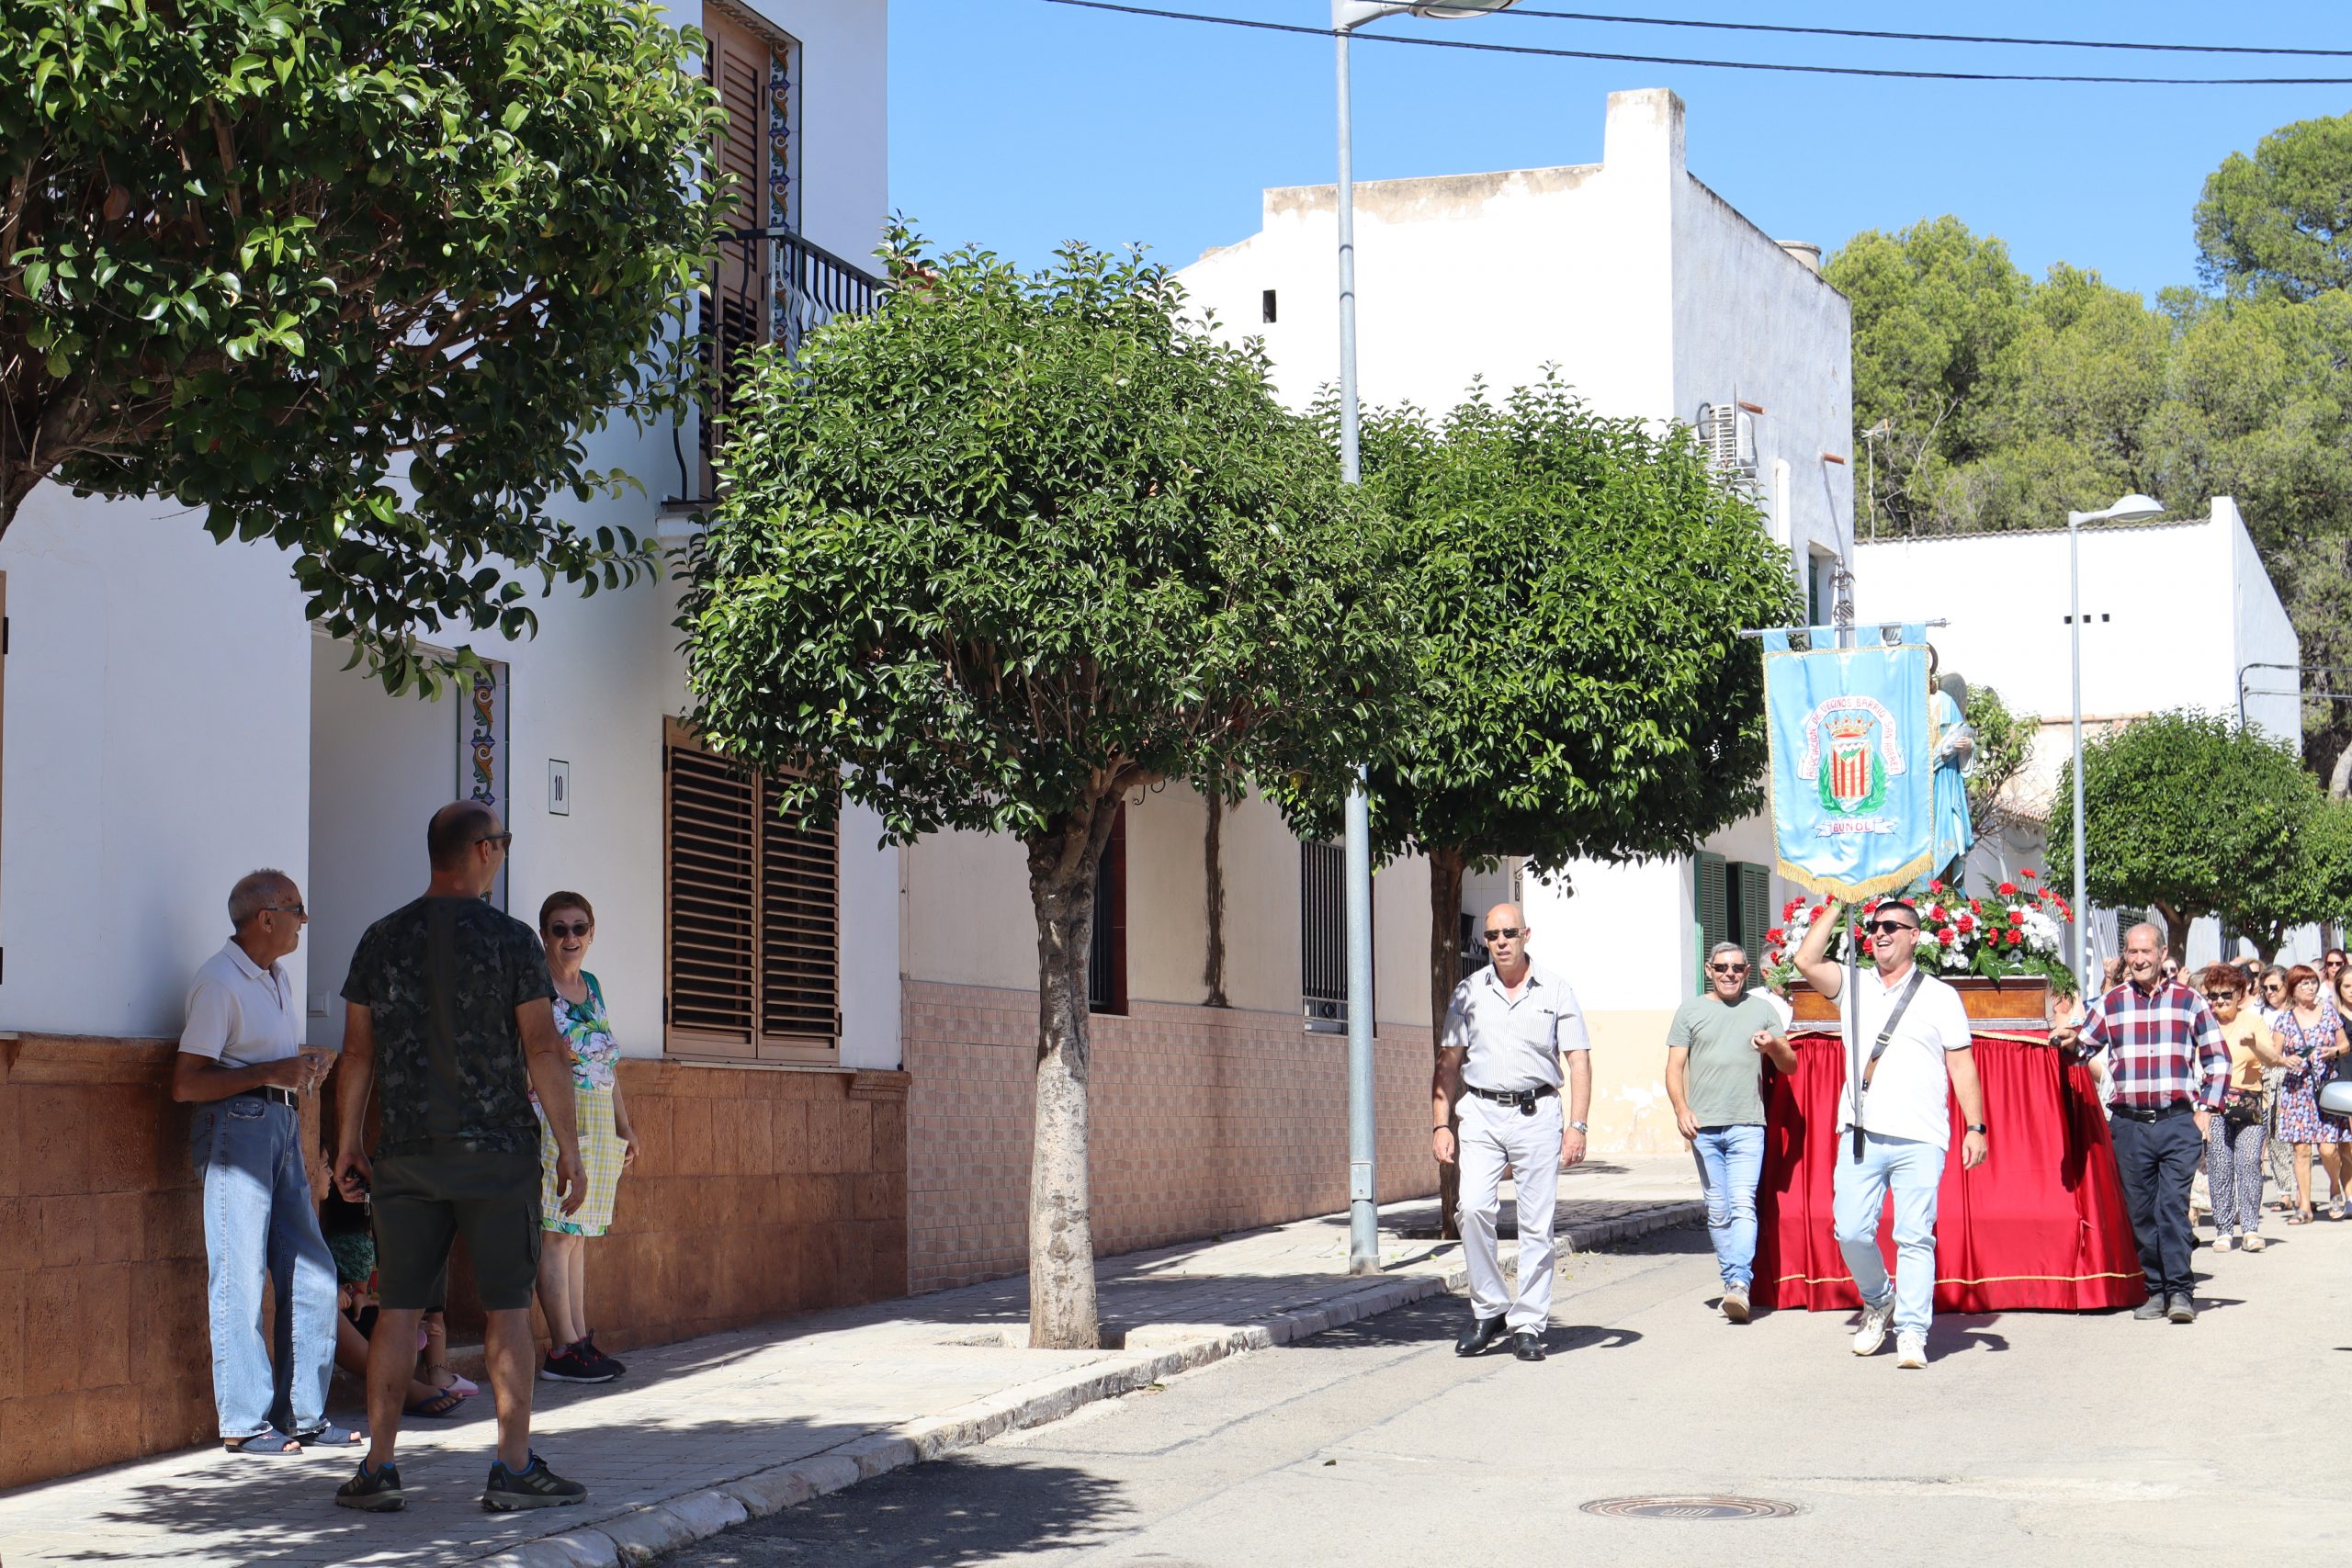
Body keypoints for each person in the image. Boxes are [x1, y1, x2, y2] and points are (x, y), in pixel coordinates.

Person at [331, 802, 589, 1513]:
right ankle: (512, 1466)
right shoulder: (511, 939)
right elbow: (542, 1046)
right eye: (501, 842)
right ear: (482, 850)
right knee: (508, 1310)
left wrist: (348, 1141)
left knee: (397, 1311)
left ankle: (378, 1468)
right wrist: (570, 1149)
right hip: (497, 1155)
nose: (503, 852)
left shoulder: (381, 938)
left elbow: (357, 1052)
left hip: (407, 1154)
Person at [175, 870, 356, 1455]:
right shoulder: (219, 981)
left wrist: (296, 1066)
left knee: (313, 1270)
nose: (305, 919)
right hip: (236, 1128)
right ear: (266, 918)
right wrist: (270, 1072)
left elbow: (260, 1060)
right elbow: (185, 1083)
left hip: (280, 1123)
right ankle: (244, 1422)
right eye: (297, 908)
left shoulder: (277, 977)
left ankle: (302, 1417)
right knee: (241, 1271)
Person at [1793, 897, 1987, 1371]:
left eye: (1891, 926)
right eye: (1874, 926)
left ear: (1914, 936)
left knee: (1914, 1236)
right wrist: (1838, 903)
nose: (1879, 933)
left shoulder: (1940, 995)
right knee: (1850, 1230)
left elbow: (1962, 1065)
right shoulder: (1854, 985)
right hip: (1861, 1131)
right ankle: (1880, 1298)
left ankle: (1913, 1331)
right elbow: (1805, 961)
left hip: (1921, 1135)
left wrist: (1976, 1126)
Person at [1432, 903, 1593, 1363]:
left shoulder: (1556, 990)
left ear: (1526, 934)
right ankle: (1489, 1309)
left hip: (1537, 1112)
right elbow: (1448, 1062)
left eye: (1508, 933)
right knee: (1472, 1208)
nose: (1500, 942)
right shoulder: (1468, 992)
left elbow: (1578, 1060)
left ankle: (1528, 1324)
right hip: (1480, 1112)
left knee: (1536, 1225)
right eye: (1491, 936)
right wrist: (1440, 1124)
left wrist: (1577, 1126)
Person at [2054, 924, 2227, 1322]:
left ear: (2162, 953)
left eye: (2146, 951)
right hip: (2129, 1125)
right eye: (2132, 952)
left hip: (2177, 1121)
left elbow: (2217, 1059)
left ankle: (2180, 1291)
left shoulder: (2189, 1001)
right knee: (2141, 1212)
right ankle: (2156, 1290)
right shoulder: (2112, 1002)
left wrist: (2206, 1110)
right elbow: (2083, 1049)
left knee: (2172, 1207)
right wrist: (2067, 1042)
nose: (2139, 959)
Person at [534, 892, 637, 1384]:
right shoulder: (536, 986)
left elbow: (606, 1065)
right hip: (556, 1115)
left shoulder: (591, 986)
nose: (570, 937)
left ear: (592, 933)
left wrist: (624, 1125)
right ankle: (562, 1349)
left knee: (578, 1236)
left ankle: (579, 1340)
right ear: (545, 935)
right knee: (556, 1233)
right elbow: (531, 1057)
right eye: (559, 929)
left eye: (579, 928)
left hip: (596, 1116)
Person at [1664, 941, 1795, 1323]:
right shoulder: (1690, 1010)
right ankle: (1732, 1283)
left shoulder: (1763, 1010)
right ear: (1709, 970)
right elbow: (1674, 1068)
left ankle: (1739, 1283)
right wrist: (1681, 1110)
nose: (1729, 974)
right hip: (1703, 1127)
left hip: (1747, 1125)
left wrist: (1772, 1047)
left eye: (1737, 968)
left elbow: (1790, 1065)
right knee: (1718, 1210)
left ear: (1747, 972)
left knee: (1742, 1204)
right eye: (1721, 967)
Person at [2197, 964, 2279, 1253]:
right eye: (2213, 995)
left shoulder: (2253, 1020)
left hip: (2250, 1102)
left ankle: (2250, 1229)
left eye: (2226, 994)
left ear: (2240, 994)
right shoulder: (2203, 1023)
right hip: (2215, 1104)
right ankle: (2223, 1230)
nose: (2219, 1000)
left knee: (2248, 1164)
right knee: (2219, 1166)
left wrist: (2255, 1045)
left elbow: (2271, 1059)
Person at [2274, 964, 2352, 1224]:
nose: (2310, 987)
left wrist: (2334, 1051)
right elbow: (2275, 1055)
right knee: (2301, 1150)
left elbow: (2344, 1044)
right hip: (2297, 1091)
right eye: (2303, 983)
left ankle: (2334, 1187)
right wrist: (2286, 1060)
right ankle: (2305, 1207)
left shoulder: (2328, 1013)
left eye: (2312, 982)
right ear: (2292, 989)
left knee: (2329, 1149)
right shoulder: (2285, 1020)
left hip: (2325, 1090)